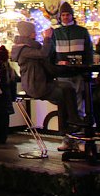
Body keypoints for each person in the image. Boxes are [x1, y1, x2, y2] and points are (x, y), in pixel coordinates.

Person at [12, 22, 83, 150]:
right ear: (28, 34)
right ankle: (70, 126)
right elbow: (44, 54)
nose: (35, 33)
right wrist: (47, 38)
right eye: (33, 31)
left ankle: (71, 124)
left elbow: (46, 64)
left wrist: (62, 67)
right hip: (35, 86)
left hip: (41, 82)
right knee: (64, 95)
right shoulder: (24, 49)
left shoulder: (30, 47)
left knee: (68, 86)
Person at [49, 1, 93, 117]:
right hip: (62, 71)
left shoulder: (82, 31)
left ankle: (79, 121)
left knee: (78, 96)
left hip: (78, 71)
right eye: (63, 15)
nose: (65, 17)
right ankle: (68, 123)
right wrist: (54, 67)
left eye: (67, 15)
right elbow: (51, 53)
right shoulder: (56, 33)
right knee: (64, 98)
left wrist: (88, 69)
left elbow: (88, 51)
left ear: (72, 15)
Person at [0, 45, 16, 144]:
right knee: (4, 120)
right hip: (6, 99)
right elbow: (13, 85)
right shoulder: (10, 69)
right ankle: (2, 138)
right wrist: (13, 98)